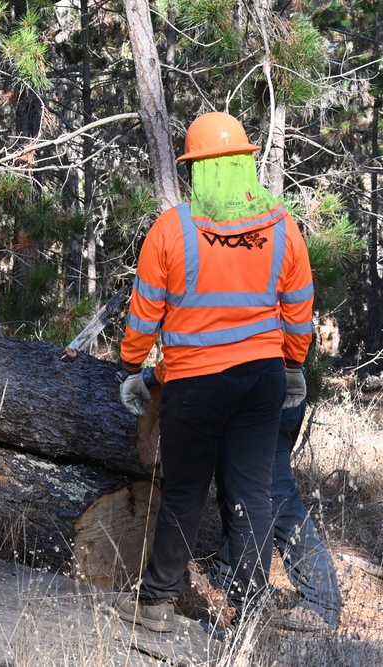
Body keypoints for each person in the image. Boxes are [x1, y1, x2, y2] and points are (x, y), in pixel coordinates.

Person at [113, 111, 314, 632]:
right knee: (249, 493)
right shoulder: (282, 225)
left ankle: (156, 603)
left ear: (197, 170)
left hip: (196, 384)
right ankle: (251, 609)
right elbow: (299, 309)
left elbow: (144, 313)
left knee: (185, 491)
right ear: (244, 164)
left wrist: (132, 365)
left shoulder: (172, 228)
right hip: (261, 381)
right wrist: (293, 365)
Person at [208, 397, 342, 632]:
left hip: (267, 398)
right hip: (257, 392)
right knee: (235, 490)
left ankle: (321, 602)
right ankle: (227, 573)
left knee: (278, 500)